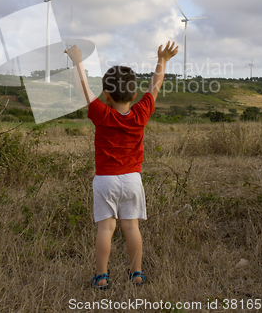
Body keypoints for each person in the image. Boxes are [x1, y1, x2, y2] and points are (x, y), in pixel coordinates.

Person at [65, 41, 178, 289]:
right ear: (134, 95)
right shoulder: (141, 113)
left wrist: (77, 62)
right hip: (132, 180)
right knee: (131, 226)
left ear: (105, 95)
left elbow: (84, 89)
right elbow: (154, 87)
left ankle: (101, 276)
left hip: (105, 179)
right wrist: (163, 60)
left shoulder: (101, 114)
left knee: (106, 228)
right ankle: (136, 273)